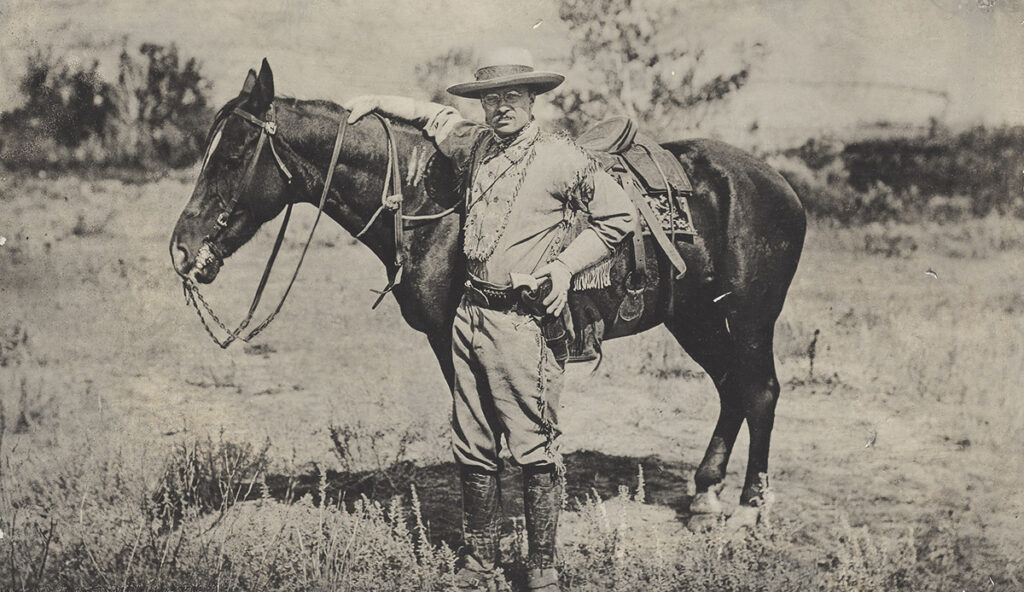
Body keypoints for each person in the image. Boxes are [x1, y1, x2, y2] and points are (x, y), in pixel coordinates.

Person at [345, 47, 634, 592]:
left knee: (534, 444)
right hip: (470, 315)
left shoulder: (561, 157)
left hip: (523, 325)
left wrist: (565, 268)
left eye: (510, 97)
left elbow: (617, 216)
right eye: (490, 98)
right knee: (472, 440)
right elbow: (435, 117)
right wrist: (374, 102)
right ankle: (480, 561)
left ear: (532, 100)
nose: (500, 107)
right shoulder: (476, 144)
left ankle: (542, 567)